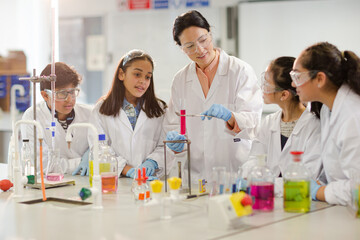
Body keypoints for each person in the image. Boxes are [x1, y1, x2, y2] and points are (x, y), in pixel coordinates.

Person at [164, 10, 262, 182]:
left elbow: (253, 122)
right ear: (181, 48)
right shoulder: (180, 80)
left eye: (203, 40)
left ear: (210, 33)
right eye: (189, 46)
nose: (199, 50)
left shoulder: (240, 71)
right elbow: (174, 123)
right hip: (194, 177)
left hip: (234, 173)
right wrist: (176, 142)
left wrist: (231, 117)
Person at [291, 42, 360, 205]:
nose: (293, 84)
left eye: (297, 76)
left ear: (320, 79)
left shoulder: (352, 115)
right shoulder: (327, 110)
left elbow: (357, 189)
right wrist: (320, 183)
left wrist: (318, 191)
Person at [89, 49, 166, 180]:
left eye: (148, 77)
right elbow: (99, 149)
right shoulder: (101, 109)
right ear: (121, 74)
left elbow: (164, 146)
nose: (143, 81)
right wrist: (128, 170)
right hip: (116, 180)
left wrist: (153, 162)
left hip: (150, 181)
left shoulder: (159, 109)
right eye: (137, 74)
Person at [248, 56, 322, 179]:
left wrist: (267, 183)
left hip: (298, 196)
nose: (262, 88)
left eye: (266, 83)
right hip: (268, 195)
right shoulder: (269, 122)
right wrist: (248, 175)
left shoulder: (314, 125)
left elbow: (309, 175)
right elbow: (255, 159)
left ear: (284, 95)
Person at [21, 62, 92, 176]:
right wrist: (84, 162)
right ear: (45, 95)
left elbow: (105, 151)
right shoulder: (32, 116)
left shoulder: (89, 114)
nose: (69, 99)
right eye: (62, 93)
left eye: (72, 92)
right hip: (51, 186)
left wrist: (92, 154)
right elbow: (42, 165)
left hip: (86, 182)